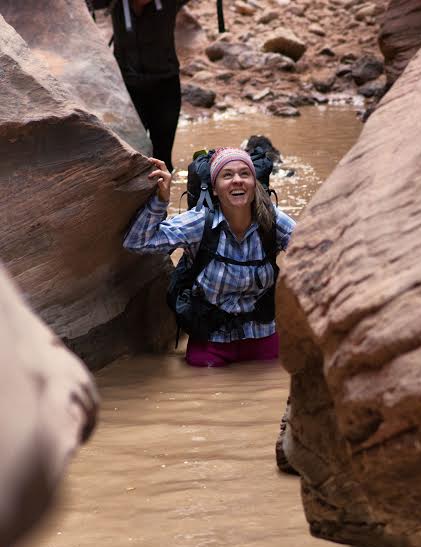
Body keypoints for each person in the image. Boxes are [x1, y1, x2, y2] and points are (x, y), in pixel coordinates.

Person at [123, 147, 296, 367]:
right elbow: (137, 242)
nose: (237, 181)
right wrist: (160, 199)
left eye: (245, 174)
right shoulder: (198, 223)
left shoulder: (272, 222)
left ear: (254, 185)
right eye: (227, 175)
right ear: (214, 189)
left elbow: (314, 253)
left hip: (264, 337)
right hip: (211, 343)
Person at [109, 0, 189, 172]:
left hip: (165, 87)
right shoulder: (113, 3)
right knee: (131, 154)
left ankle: (164, 197)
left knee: (162, 158)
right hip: (128, 89)